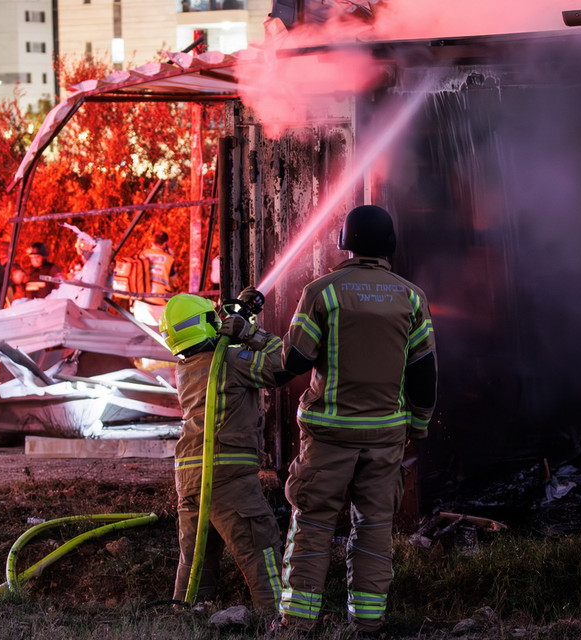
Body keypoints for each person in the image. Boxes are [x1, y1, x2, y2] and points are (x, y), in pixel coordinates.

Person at [274, 205, 438, 635]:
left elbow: (294, 360)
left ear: (344, 242)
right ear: (390, 245)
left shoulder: (322, 292)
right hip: (385, 437)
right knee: (374, 528)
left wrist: (254, 342)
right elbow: (424, 371)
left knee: (312, 523)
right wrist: (418, 426)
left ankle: (297, 623)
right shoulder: (411, 297)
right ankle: (367, 622)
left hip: (329, 436)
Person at [158, 292, 284, 613]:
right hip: (226, 474)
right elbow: (282, 362)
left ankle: (186, 614)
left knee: (196, 557)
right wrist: (251, 332)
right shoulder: (230, 361)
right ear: (207, 323)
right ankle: (278, 620)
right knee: (259, 545)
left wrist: (238, 324)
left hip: (189, 475)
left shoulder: (185, 368)